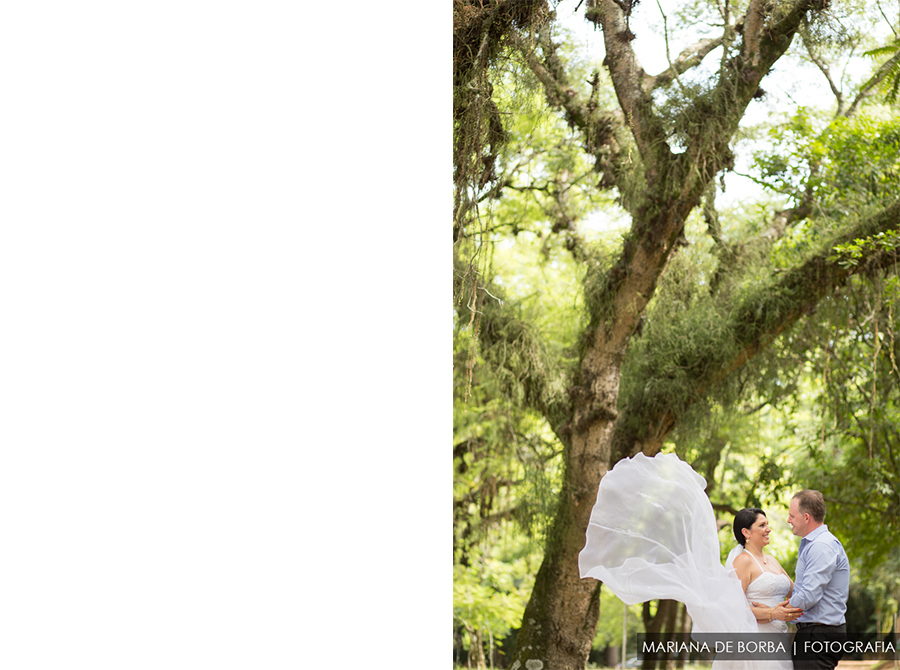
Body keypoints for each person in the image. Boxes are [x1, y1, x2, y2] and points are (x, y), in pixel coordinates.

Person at [783, 490, 850, 670]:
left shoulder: (821, 546)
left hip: (818, 634)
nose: (788, 520)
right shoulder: (814, 544)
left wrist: (776, 613)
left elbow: (807, 596)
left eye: (791, 515)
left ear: (806, 518)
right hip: (815, 632)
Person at [728, 508, 801, 635]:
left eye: (767, 524)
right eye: (762, 525)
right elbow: (731, 608)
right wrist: (770, 613)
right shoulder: (743, 561)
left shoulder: (772, 560)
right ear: (746, 532)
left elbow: (796, 593)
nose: (769, 529)